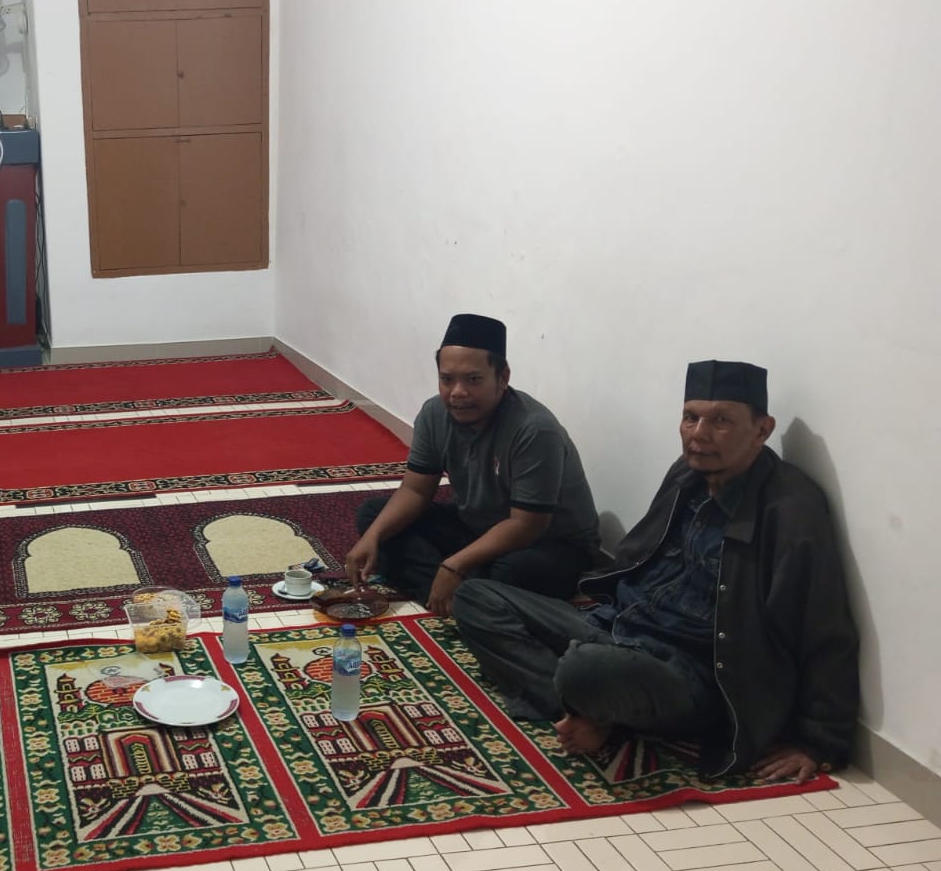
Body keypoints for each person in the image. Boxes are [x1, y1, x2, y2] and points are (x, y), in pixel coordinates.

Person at [453, 360, 860, 783]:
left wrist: (818, 741)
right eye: (690, 417)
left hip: (688, 671)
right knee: (476, 597)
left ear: (762, 429)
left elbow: (824, 628)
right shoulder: (689, 473)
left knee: (581, 668)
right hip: (618, 626)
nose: (699, 433)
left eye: (721, 421)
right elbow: (641, 559)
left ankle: (591, 698)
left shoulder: (790, 510)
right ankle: (595, 711)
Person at [347, 313, 600, 615]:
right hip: (477, 527)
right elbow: (415, 490)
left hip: (550, 543)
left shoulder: (534, 429)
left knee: (511, 572)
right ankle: (470, 597)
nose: (457, 392)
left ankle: (462, 592)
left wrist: (455, 565)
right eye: (447, 379)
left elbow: (527, 525)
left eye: (473, 380)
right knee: (374, 517)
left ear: (502, 378)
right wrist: (373, 536)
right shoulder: (434, 414)